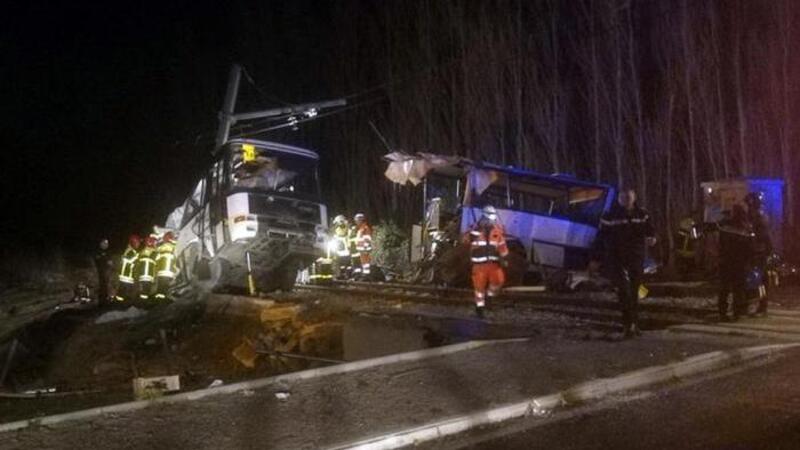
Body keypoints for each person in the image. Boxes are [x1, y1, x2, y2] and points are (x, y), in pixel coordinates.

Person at [591, 188, 657, 338]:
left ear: (634, 197)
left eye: (629, 196)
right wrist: (595, 258)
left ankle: (634, 324)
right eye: (623, 197)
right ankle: (628, 324)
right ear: (619, 199)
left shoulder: (642, 214)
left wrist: (652, 238)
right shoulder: (610, 215)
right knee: (623, 291)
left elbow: (650, 230)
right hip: (616, 258)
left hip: (636, 257)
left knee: (635, 291)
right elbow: (601, 238)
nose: (626, 199)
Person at [463, 205, 508, 318]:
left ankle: (489, 297)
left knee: (498, 281)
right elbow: (465, 240)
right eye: (489, 219)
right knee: (479, 288)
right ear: (484, 217)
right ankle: (480, 308)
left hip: (494, 264)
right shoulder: (475, 230)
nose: (491, 222)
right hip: (479, 266)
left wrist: (505, 258)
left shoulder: (497, 231)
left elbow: (502, 245)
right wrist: (474, 233)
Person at [717, 205, 755, 321]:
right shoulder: (746, 228)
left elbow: (721, 244)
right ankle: (737, 312)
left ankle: (723, 312)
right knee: (738, 288)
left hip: (726, 261)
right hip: (740, 263)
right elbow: (750, 247)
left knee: (724, 288)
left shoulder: (725, 226)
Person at [745, 192, 772, 316]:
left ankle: (761, 305)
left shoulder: (757, 218)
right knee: (758, 280)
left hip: (756, 253)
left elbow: (764, 236)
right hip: (758, 252)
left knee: (758, 281)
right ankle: (760, 305)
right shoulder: (760, 216)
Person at [115, 235, 141, 302]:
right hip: (125, 274)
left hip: (128, 274)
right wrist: (137, 256)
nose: (139, 244)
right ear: (133, 242)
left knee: (125, 291)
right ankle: (119, 304)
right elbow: (129, 260)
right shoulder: (130, 251)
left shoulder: (131, 251)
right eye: (137, 243)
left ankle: (121, 303)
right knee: (123, 291)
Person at [154, 232, 178, 300]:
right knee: (167, 288)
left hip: (161, 272)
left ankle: (159, 302)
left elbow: (156, 258)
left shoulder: (161, 247)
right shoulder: (174, 246)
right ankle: (164, 301)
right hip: (170, 273)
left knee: (160, 289)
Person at [136, 235, 158, 300]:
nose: (155, 243)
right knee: (146, 291)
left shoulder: (142, 251)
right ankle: (143, 304)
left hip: (142, 275)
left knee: (143, 290)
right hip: (148, 275)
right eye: (154, 242)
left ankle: (142, 302)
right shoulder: (153, 252)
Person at [353, 213, 373, 280]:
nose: (356, 222)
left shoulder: (365, 228)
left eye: (357, 220)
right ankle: (364, 275)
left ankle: (366, 276)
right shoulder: (360, 229)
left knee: (365, 263)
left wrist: (365, 248)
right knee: (363, 263)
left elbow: (367, 239)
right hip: (361, 249)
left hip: (364, 249)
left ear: (361, 220)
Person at [331, 215, 352, 280]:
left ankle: (348, 275)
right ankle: (342, 275)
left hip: (346, 249)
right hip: (340, 250)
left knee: (347, 264)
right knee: (341, 263)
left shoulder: (348, 229)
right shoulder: (337, 229)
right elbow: (335, 236)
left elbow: (348, 237)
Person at [94, 238, 113, 306]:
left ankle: (106, 299)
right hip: (100, 271)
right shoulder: (98, 251)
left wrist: (110, 264)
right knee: (102, 285)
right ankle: (101, 301)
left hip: (106, 271)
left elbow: (110, 261)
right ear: (101, 244)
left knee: (106, 285)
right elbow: (98, 259)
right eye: (104, 243)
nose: (106, 245)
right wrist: (105, 259)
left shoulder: (108, 252)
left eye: (107, 244)